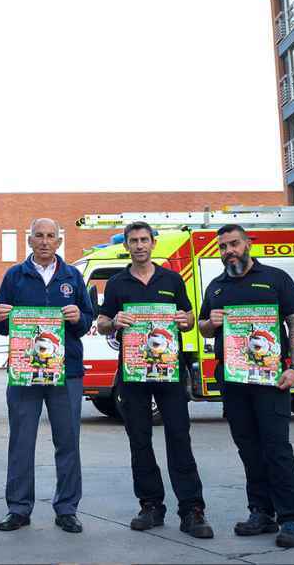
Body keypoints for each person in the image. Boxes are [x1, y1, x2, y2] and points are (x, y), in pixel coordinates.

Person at [94, 221, 213, 538]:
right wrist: (114, 320)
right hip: (133, 372)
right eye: (133, 240)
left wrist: (183, 319)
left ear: (153, 243)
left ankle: (192, 509)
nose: (139, 245)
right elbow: (103, 322)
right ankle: (150, 506)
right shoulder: (118, 283)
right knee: (139, 439)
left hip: (169, 371)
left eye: (144, 239)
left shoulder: (171, 279)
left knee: (179, 437)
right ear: (127, 246)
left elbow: (189, 319)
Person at [197, 224, 294, 548]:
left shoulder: (275, 279)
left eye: (233, 243)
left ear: (247, 244)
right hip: (233, 381)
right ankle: (261, 511)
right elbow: (203, 328)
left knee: (277, 448)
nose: (228, 250)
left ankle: (290, 517)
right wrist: (210, 323)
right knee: (248, 449)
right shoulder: (216, 288)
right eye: (222, 246)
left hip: (271, 381)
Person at [0, 218, 93, 534]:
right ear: (30, 240)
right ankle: (19, 509)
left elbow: (88, 319)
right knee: (21, 441)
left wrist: (79, 317)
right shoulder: (15, 276)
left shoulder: (72, 276)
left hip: (67, 373)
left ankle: (67, 509)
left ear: (59, 241)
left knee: (68, 442)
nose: (45, 241)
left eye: (51, 236)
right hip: (25, 374)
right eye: (40, 236)